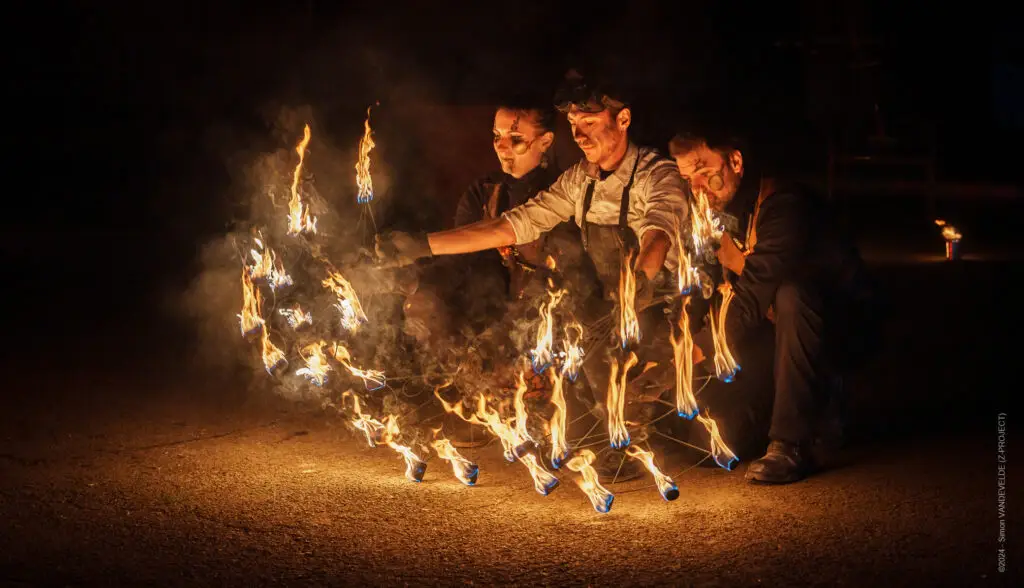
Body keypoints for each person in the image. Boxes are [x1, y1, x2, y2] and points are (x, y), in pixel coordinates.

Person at [376, 69, 690, 480]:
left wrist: (639, 285)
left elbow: (657, 235)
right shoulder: (579, 180)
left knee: (612, 397)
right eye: (574, 126)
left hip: (656, 308)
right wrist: (422, 246)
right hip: (598, 310)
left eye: (590, 124)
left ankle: (635, 433)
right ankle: (594, 430)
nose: (579, 136)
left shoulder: (657, 173)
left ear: (623, 120)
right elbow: (510, 226)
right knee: (564, 413)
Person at [668, 123, 877, 484]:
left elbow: (752, 293)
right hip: (770, 337)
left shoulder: (785, 205)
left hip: (833, 333)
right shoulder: (718, 211)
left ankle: (791, 441)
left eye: (703, 172)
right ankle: (786, 411)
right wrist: (675, 340)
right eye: (688, 178)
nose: (697, 187)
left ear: (735, 161)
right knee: (712, 443)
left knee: (792, 293)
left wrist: (701, 349)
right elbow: (703, 284)